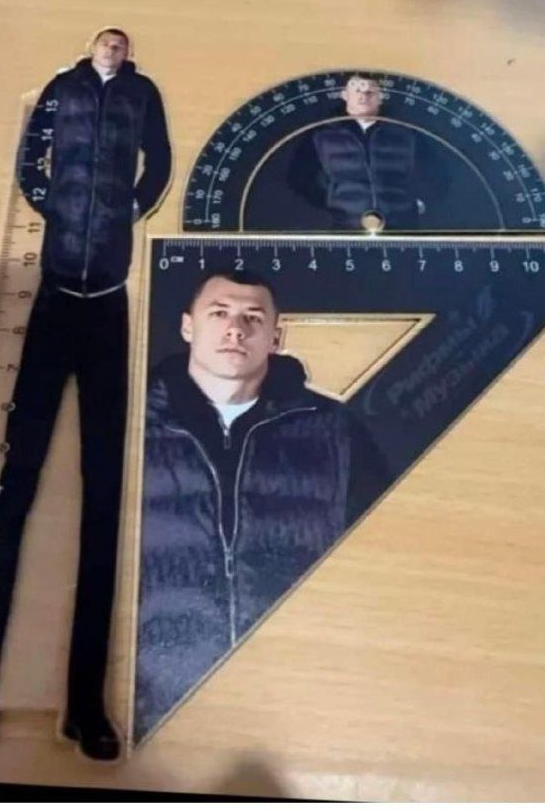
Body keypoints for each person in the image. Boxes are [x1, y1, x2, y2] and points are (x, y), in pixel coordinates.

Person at [0, 28, 172, 761]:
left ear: (126, 53)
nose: (111, 50)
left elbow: (160, 162)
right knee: (12, 493)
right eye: (104, 42)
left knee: (104, 497)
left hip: (110, 302)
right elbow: (28, 159)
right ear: (91, 49)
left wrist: (127, 210)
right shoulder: (61, 90)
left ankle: (88, 705)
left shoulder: (143, 92)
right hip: (51, 296)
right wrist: (57, 209)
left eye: (120, 44)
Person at [135, 268, 385, 739]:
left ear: (276, 336)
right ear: (188, 327)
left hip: (302, 697)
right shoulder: (130, 424)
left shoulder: (335, 430)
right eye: (219, 313)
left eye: (253, 317)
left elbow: (381, 562)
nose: (236, 329)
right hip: (155, 701)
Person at [288, 74, 447, 231]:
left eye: (370, 92)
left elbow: (436, 173)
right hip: (345, 226)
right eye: (357, 90)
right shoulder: (321, 134)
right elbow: (299, 176)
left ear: (381, 97)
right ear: (345, 95)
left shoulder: (407, 133)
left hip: (401, 226)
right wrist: (331, 204)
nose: (363, 96)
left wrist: (417, 204)